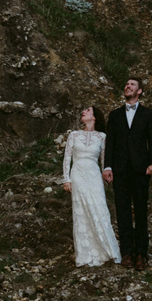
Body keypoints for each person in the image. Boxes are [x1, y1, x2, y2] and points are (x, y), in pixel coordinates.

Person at [101, 77, 152, 269]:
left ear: (139, 91)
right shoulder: (115, 115)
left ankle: (141, 255)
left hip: (141, 169)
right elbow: (110, 144)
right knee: (123, 212)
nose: (127, 86)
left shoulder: (148, 114)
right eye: (126, 84)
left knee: (141, 212)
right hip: (120, 170)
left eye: (132, 85)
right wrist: (107, 167)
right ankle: (127, 253)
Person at [59, 106, 120, 267]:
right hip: (77, 174)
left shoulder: (102, 137)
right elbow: (67, 158)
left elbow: (104, 161)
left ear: (94, 117)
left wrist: (107, 173)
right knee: (81, 211)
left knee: (100, 209)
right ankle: (85, 255)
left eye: (87, 110)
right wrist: (66, 179)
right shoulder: (74, 135)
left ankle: (107, 250)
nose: (83, 112)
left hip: (94, 174)